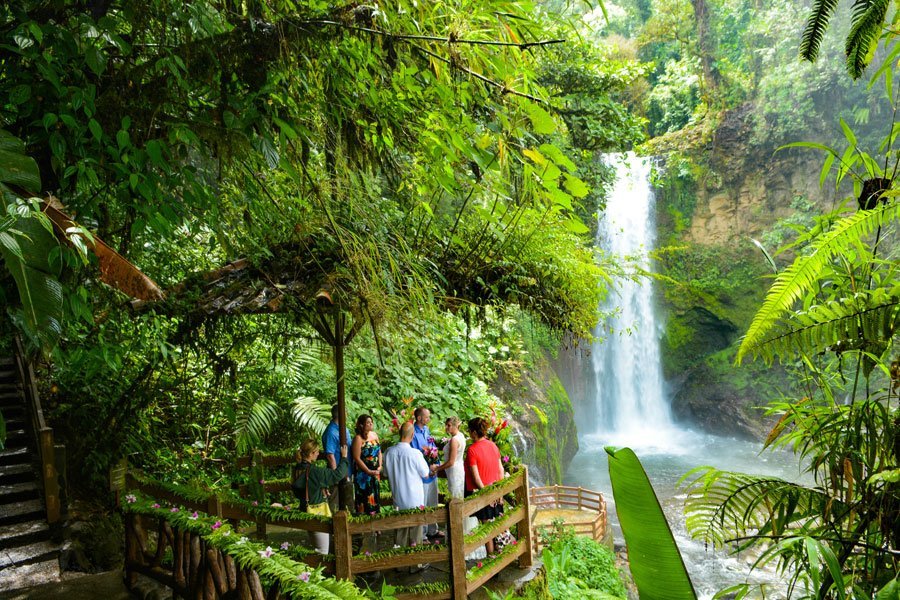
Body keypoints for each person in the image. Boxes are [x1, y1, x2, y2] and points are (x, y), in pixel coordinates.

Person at [431, 416, 485, 559]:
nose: (446, 428)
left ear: (456, 425)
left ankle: (459, 539)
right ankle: (464, 538)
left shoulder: (455, 440)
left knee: (455, 501)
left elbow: (451, 462)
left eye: (449, 425)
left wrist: (437, 468)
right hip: (458, 471)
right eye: (446, 425)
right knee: (458, 499)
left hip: (455, 472)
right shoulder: (461, 436)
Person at [291, 439, 349, 554]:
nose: (318, 454)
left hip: (305, 510)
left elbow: (303, 487)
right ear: (311, 453)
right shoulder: (313, 471)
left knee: (317, 548)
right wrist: (344, 458)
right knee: (321, 551)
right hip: (316, 513)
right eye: (316, 451)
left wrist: (320, 488)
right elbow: (337, 475)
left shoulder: (297, 469)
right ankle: (315, 572)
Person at [382, 422, 430, 548]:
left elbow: (385, 473)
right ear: (413, 435)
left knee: (400, 532)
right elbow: (425, 474)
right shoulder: (415, 454)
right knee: (416, 533)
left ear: (399, 434)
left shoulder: (388, 452)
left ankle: (399, 563)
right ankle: (416, 563)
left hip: (398, 498)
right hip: (415, 500)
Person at [465, 416, 505, 555]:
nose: (469, 434)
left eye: (470, 431)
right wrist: (499, 491)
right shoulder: (493, 445)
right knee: (497, 525)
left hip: (483, 492)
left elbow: (476, 478)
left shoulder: (472, 450)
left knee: (486, 527)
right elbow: (501, 470)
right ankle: (500, 555)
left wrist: (486, 493)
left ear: (475, 433)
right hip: (495, 490)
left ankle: (491, 558)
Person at [410, 406, 441, 540]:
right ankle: (422, 535)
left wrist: (436, 466)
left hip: (433, 471)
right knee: (422, 503)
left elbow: (432, 447)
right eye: (426, 417)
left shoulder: (427, 430)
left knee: (433, 501)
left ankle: (433, 530)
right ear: (419, 418)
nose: (428, 419)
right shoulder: (412, 433)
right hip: (422, 474)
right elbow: (416, 454)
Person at [322, 404, 352, 513]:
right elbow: (330, 455)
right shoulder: (331, 432)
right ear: (341, 414)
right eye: (345, 412)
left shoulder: (343, 429)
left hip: (346, 472)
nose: (347, 414)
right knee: (335, 502)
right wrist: (336, 475)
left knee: (347, 501)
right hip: (337, 473)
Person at [351, 414, 382, 515]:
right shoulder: (358, 439)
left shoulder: (374, 435)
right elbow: (356, 458)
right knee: (364, 499)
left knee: (376, 497)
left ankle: (377, 526)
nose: (371, 424)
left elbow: (379, 452)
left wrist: (380, 466)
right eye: (368, 423)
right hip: (363, 474)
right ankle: (363, 526)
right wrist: (368, 471)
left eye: (371, 422)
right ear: (361, 425)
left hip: (375, 472)